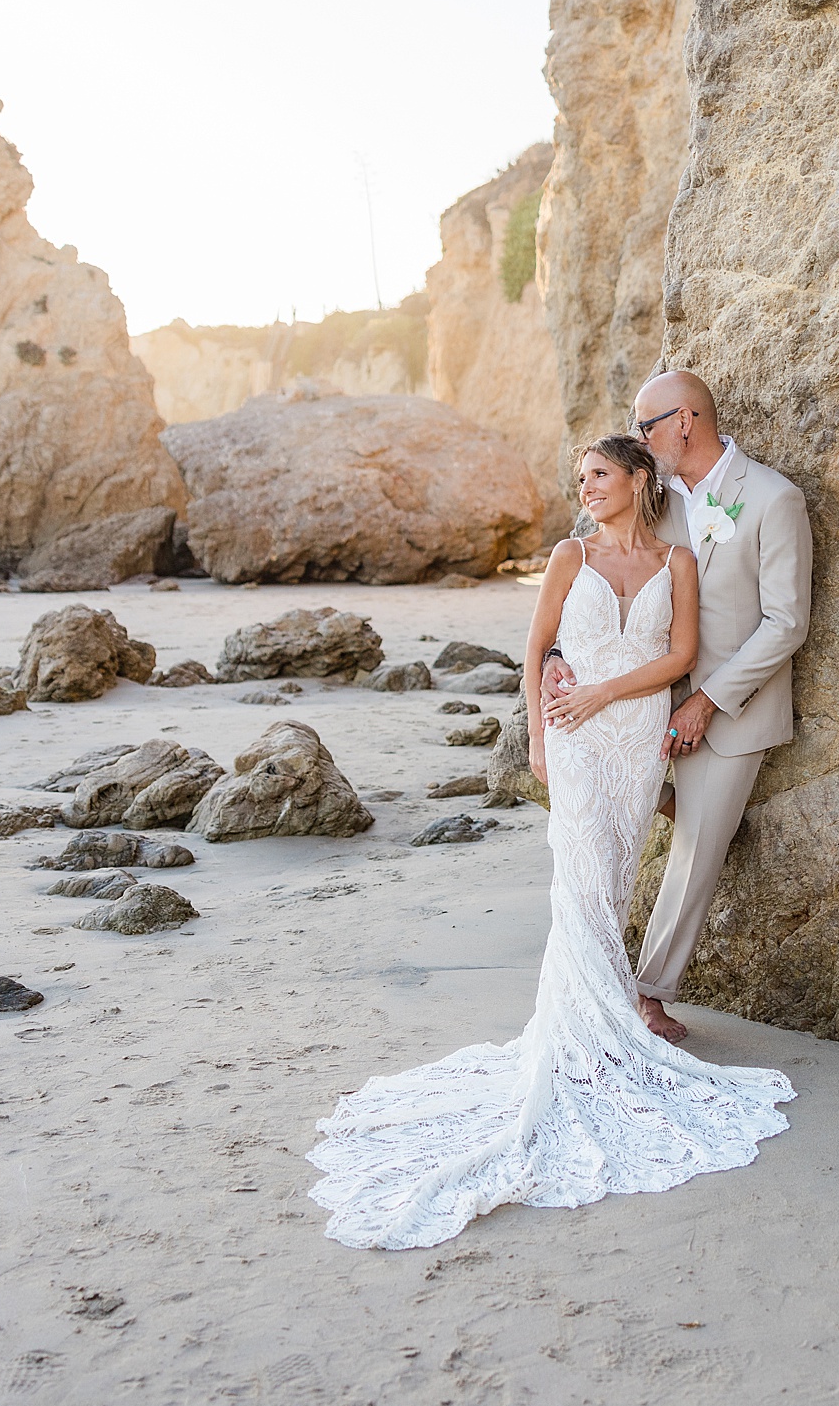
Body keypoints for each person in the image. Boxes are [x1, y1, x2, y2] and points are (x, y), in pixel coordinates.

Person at [306, 434, 794, 1251]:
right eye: (581, 478)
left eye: (601, 473)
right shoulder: (569, 554)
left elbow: (678, 656)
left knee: (609, 882)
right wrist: (537, 738)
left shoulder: (677, 563)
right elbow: (535, 651)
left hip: (635, 732)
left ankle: (608, 1029)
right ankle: (580, 1039)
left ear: (641, 481)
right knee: (580, 881)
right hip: (572, 736)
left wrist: (605, 689)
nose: (588, 486)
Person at [543, 370, 812, 1044]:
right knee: (604, 840)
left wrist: (708, 703)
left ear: (685, 421)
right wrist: (555, 659)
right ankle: (584, 974)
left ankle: (647, 994)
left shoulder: (775, 500)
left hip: (731, 708)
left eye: (646, 425)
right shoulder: (651, 497)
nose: (639, 438)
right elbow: (594, 581)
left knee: (696, 850)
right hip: (638, 707)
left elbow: (787, 621)